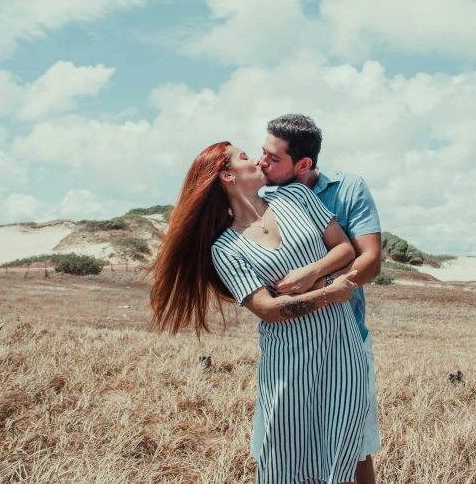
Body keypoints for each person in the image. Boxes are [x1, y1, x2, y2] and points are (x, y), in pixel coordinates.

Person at [149, 141, 370, 484]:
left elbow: (343, 249)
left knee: (341, 451)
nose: (256, 160)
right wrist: (328, 293)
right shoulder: (225, 249)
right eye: (243, 157)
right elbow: (266, 309)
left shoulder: (296, 197)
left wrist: (310, 274)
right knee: (284, 457)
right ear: (226, 175)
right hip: (289, 361)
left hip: (342, 346)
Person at [258, 114, 382, 484]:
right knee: (282, 447)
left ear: (304, 164)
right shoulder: (262, 196)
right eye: (262, 153)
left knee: (354, 448)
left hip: (347, 339)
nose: (262, 163)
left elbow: (371, 260)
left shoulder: (348, 188)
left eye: (273, 158)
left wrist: (316, 278)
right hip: (288, 346)